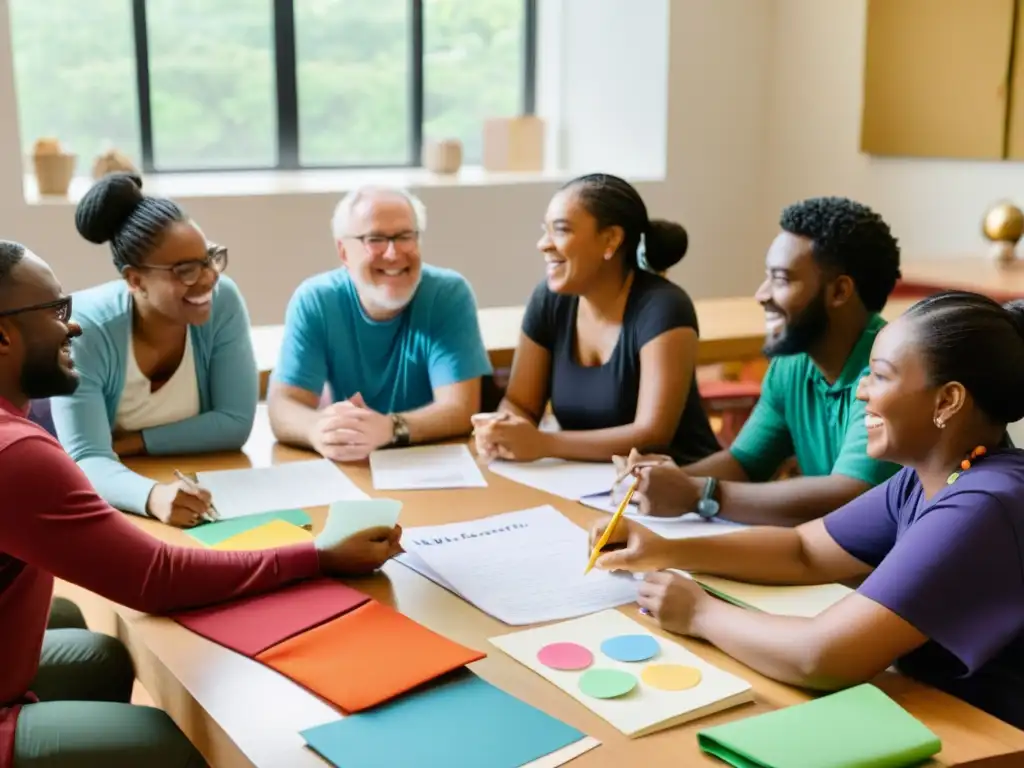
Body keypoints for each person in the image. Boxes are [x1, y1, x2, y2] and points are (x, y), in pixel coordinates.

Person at [0, 239, 403, 768]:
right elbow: (157, 577)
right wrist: (321, 554)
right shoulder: (17, 454)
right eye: (55, 310)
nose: (71, 326)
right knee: (172, 744)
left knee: (100, 655)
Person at [592, 290, 1024, 729]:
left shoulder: (982, 504)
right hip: (938, 714)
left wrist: (700, 613)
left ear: (947, 401)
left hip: (991, 738)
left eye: (880, 377)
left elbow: (822, 656)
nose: (861, 394)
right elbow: (804, 549)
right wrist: (664, 550)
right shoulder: (927, 478)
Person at [617, 197, 903, 526]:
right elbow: (744, 463)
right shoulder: (793, 363)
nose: (761, 294)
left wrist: (700, 492)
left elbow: (850, 495)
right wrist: (654, 481)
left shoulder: (888, 373)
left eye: (781, 280)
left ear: (839, 292)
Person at [49, 173, 257, 528]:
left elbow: (235, 423)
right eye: (186, 271)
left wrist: (134, 443)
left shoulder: (223, 301)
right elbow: (85, 457)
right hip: (90, 501)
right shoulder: (86, 329)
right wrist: (153, 495)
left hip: (167, 477)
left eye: (209, 259)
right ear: (135, 280)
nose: (208, 279)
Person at [473, 173, 720, 464]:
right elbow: (520, 404)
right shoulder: (549, 300)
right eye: (545, 230)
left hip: (676, 491)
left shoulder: (664, 307)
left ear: (611, 239)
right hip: (587, 485)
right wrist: (503, 429)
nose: (543, 244)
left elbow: (652, 436)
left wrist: (544, 443)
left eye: (561, 230)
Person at [268, 185, 492, 462]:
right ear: (344, 252)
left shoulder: (448, 294)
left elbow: (460, 409)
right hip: (353, 466)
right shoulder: (316, 300)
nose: (393, 253)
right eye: (375, 239)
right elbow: (283, 405)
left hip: (433, 462)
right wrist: (318, 430)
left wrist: (390, 428)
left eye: (405, 236)